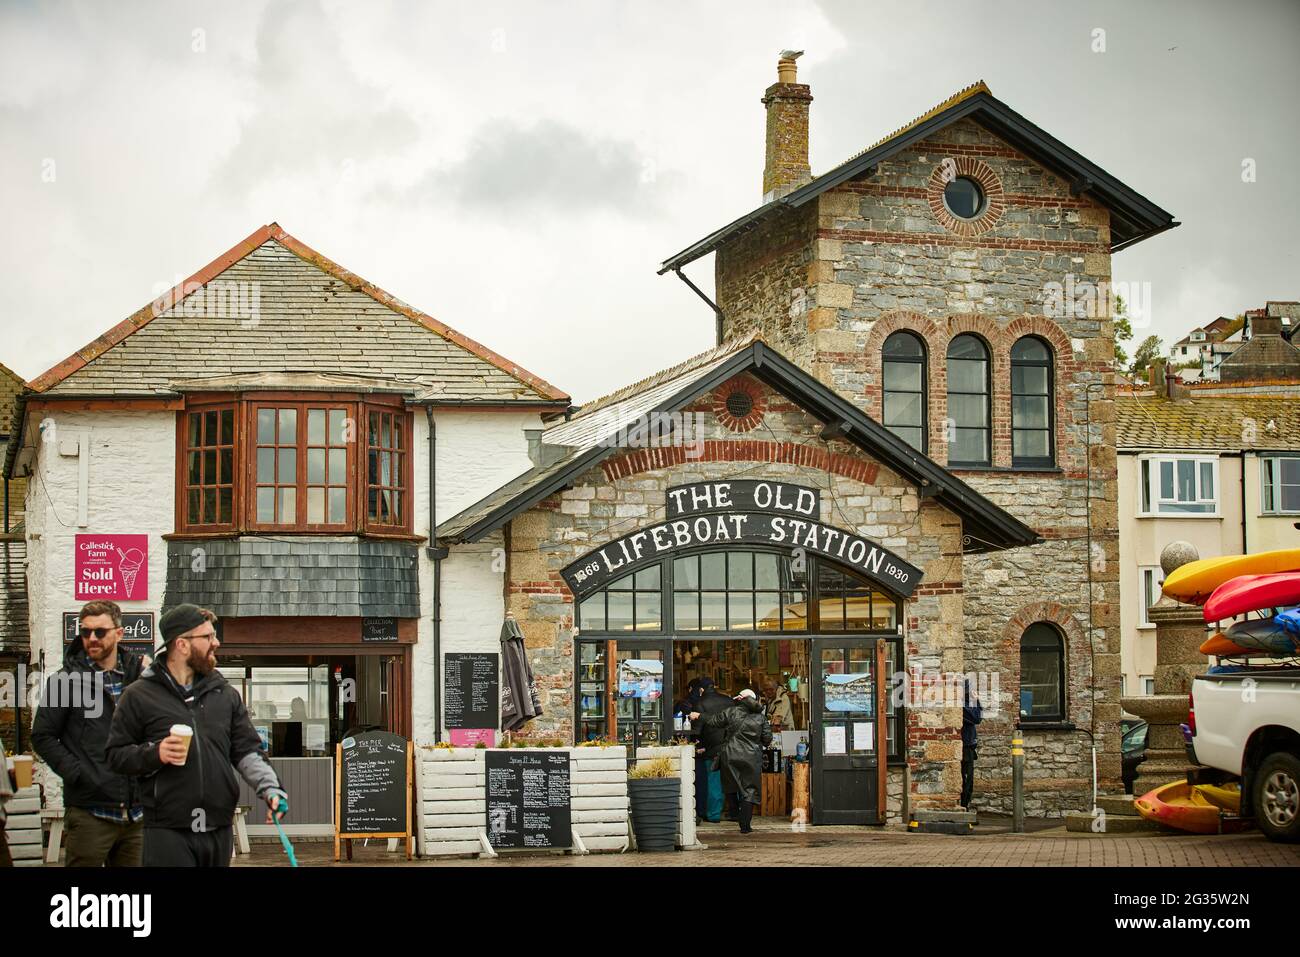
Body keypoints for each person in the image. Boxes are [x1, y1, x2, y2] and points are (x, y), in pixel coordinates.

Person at [106, 604, 287, 867]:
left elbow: (247, 751)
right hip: (167, 829)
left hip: (218, 827)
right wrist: (156, 753)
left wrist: (271, 789)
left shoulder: (224, 694)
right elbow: (115, 756)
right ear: (181, 644)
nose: (216, 642)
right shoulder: (139, 696)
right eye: (208, 637)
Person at [32, 600, 146, 866]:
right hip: (90, 812)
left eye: (100, 632)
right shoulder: (64, 681)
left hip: (139, 815)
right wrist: (78, 774)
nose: (92, 638)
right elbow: (43, 736)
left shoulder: (141, 677)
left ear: (119, 633)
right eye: (85, 632)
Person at [692, 689, 771, 834]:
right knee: (749, 790)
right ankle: (745, 825)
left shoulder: (731, 712)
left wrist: (699, 716)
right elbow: (767, 739)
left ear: (741, 699)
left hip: (730, 755)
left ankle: (735, 813)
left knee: (731, 786)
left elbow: (714, 721)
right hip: (751, 757)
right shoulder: (761, 718)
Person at [693, 677, 733, 823]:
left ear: (701, 690)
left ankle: (714, 814)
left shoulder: (700, 703)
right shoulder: (729, 701)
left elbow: (697, 730)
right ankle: (737, 812)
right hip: (731, 746)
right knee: (734, 781)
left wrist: (697, 745)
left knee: (714, 782)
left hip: (712, 749)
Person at [961, 678, 982, 810]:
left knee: (969, 781)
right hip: (965, 746)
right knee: (966, 780)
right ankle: (963, 806)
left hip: (968, 745)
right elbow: (977, 717)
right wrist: (976, 700)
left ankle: (965, 805)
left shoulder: (967, 703)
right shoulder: (962, 704)